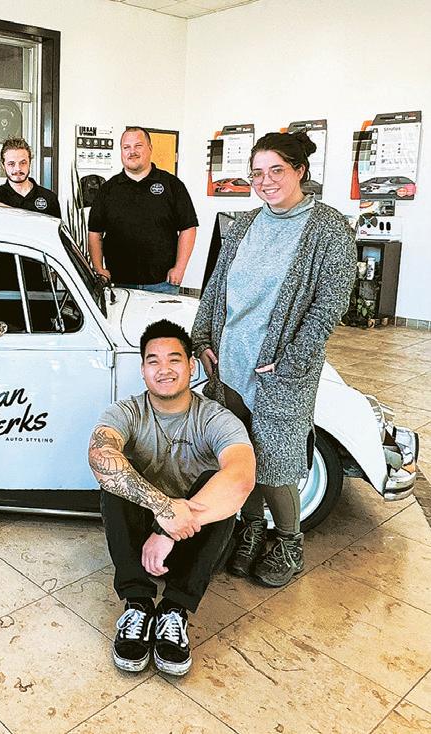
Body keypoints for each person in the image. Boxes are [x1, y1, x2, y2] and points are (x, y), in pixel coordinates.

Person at [191, 131, 356, 588]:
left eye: (276, 170)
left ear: (300, 170)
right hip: (230, 362)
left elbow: (329, 306)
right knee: (239, 453)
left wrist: (291, 361)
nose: (266, 181)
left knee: (276, 461)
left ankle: (288, 541)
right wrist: (202, 338)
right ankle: (250, 530)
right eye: (257, 173)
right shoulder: (244, 224)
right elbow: (216, 287)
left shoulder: (328, 229)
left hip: (281, 371)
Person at [88, 320, 255, 676]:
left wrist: (167, 531)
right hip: (140, 542)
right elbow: (99, 456)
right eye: (154, 361)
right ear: (143, 370)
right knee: (115, 479)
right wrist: (163, 509)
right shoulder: (126, 412)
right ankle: (138, 604)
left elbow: (242, 477)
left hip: (192, 544)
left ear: (192, 366)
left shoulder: (214, 418)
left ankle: (174, 610)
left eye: (174, 360)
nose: (164, 369)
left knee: (221, 489)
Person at [87, 127, 198, 294]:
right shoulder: (107, 190)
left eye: (138, 146)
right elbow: (95, 233)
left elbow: (188, 228)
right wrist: (99, 269)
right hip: (119, 283)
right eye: (126, 147)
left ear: (150, 148)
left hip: (163, 284)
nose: (132, 151)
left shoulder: (172, 185)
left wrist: (180, 268)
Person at [0, 137, 61, 217]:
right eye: (11, 164)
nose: (18, 168)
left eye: (23, 163)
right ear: (3, 165)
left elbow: (56, 225)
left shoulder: (49, 197)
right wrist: (21, 214)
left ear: (30, 163)